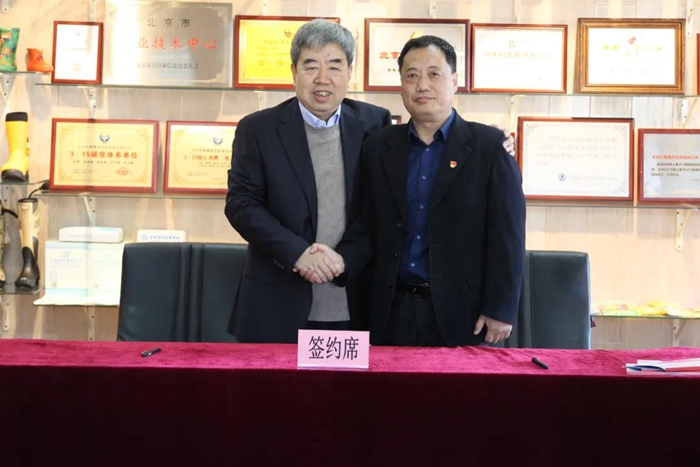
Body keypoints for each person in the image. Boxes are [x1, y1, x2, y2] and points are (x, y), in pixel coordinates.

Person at [227, 20, 516, 344]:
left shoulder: (372, 124)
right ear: (294, 71)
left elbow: (375, 212)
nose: (323, 78)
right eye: (310, 66)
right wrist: (298, 253)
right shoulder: (258, 129)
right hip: (277, 300)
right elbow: (242, 204)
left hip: (357, 301)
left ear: (349, 72)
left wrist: (494, 140)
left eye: (334, 66)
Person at [313, 35, 526, 347]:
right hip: (389, 309)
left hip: (463, 313)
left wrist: (500, 308)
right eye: (411, 75)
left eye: (434, 74)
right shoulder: (379, 146)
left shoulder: (489, 147)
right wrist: (340, 260)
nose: (422, 85)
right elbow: (367, 223)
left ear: (454, 81)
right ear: (401, 84)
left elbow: (508, 234)